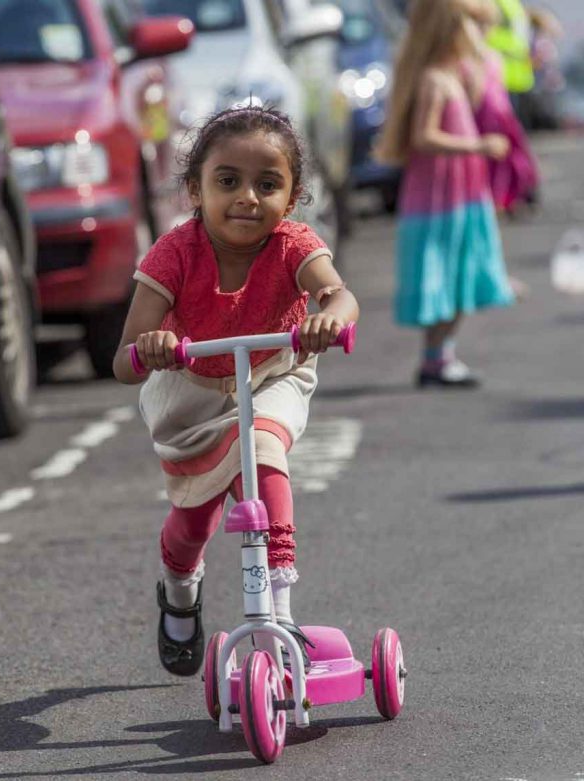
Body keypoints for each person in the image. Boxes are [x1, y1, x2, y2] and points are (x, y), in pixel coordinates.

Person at [113, 105, 359, 676]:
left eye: (268, 185)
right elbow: (124, 363)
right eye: (228, 182)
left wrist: (329, 317)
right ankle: (179, 587)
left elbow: (340, 298)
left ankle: (278, 611)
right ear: (195, 191)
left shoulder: (295, 244)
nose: (248, 197)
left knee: (265, 455)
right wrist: (148, 348)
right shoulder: (174, 254)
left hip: (272, 374)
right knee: (192, 520)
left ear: (293, 197)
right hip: (190, 389)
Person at [375, 0, 515, 388]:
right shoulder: (434, 79)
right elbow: (424, 136)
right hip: (440, 195)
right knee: (444, 267)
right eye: (472, 25)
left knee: (461, 269)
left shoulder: (457, 74)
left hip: (462, 192)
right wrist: (477, 146)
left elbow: (488, 68)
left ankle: (441, 355)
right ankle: (436, 358)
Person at [466, 0, 539, 215]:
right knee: (498, 150)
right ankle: (502, 194)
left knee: (514, 148)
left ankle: (517, 192)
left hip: (511, 84)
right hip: (495, 92)